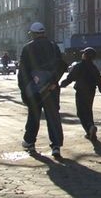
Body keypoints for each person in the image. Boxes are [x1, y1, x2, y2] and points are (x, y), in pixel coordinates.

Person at [17, 22, 67, 157]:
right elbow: (61, 65)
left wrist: (24, 90)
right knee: (53, 117)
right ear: (44, 33)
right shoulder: (53, 46)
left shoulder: (27, 48)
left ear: (33, 34)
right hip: (51, 89)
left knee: (33, 116)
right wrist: (53, 82)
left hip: (34, 89)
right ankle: (56, 146)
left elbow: (22, 72)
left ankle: (29, 142)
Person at [60, 47, 101, 142]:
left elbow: (70, 78)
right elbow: (100, 82)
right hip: (91, 92)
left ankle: (89, 128)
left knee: (80, 112)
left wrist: (62, 85)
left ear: (85, 56)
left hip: (81, 91)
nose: (82, 54)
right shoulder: (94, 68)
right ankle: (91, 131)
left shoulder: (79, 66)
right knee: (88, 110)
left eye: (83, 53)